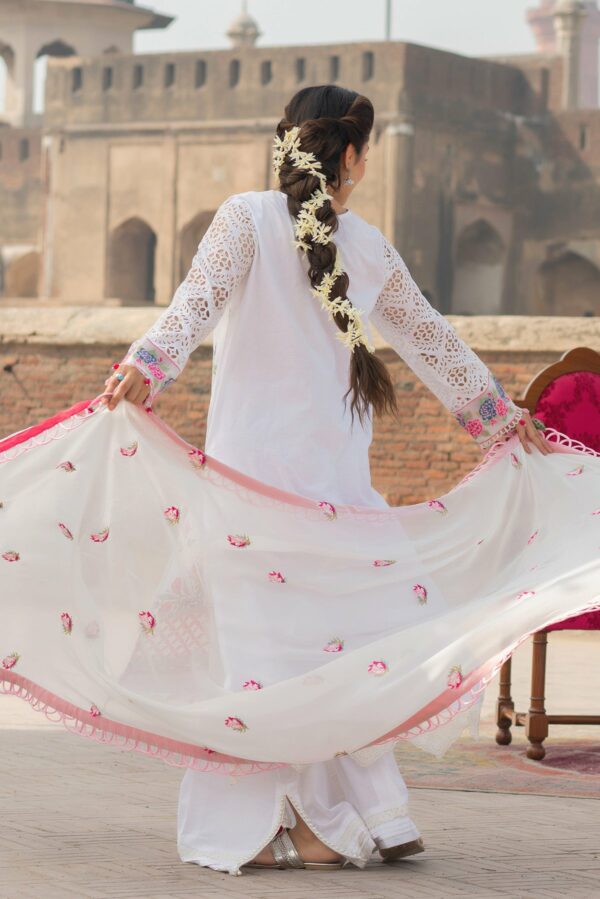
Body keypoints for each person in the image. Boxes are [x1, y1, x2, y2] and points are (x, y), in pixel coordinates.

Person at [94, 85, 552, 874]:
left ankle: (330, 819)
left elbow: (193, 305)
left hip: (257, 487)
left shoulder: (249, 218)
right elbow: (433, 342)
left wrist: (147, 366)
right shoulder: (359, 244)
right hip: (324, 491)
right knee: (331, 650)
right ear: (354, 159)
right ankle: (332, 816)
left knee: (279, 657)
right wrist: (499, 419)